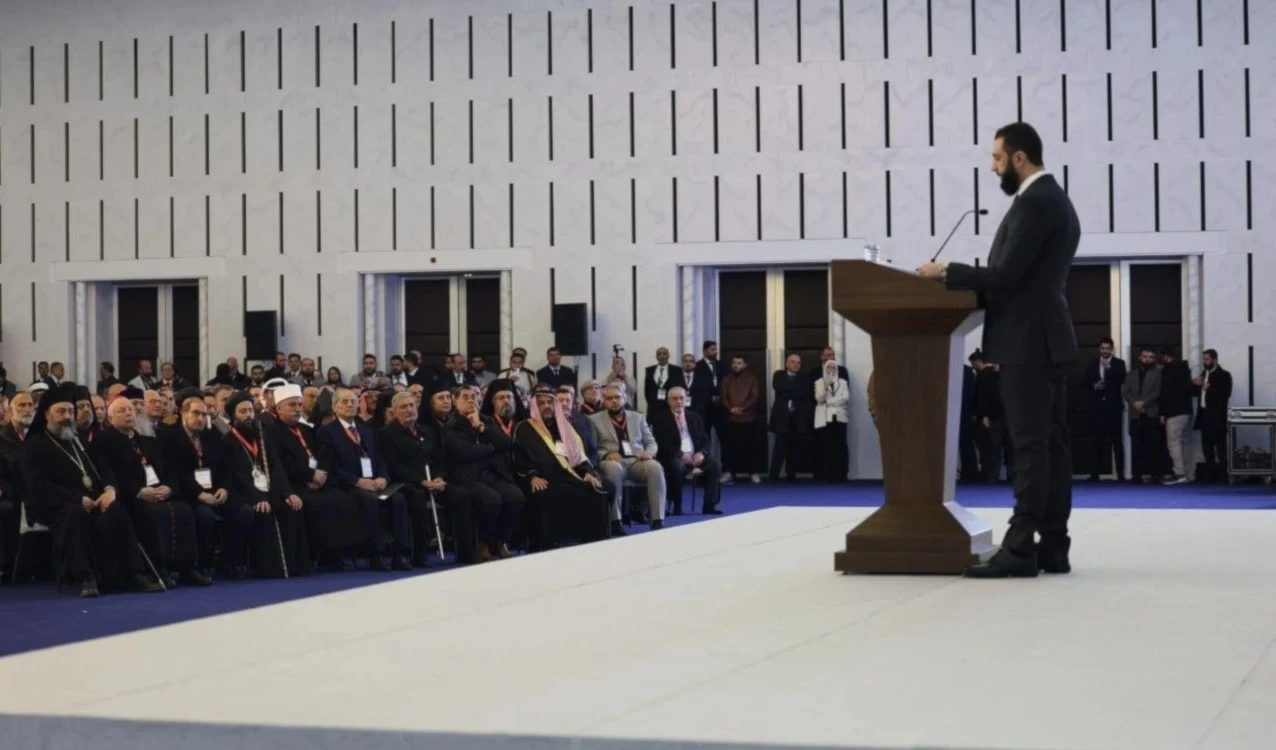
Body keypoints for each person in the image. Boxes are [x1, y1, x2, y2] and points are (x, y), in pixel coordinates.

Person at [917, 121, 1081, 578]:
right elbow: (1022, 278)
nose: (992, 167)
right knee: (1050, 448)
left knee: (1030, 448)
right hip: (1046, 341)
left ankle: (1020, 548)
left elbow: (1006, 277)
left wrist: (947, 270)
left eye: (996, 158)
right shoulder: (1056, 201)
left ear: (1019, 158)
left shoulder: (1034, 203)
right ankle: (1052, 545)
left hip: (1028, 344)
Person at [22, 384, 165, 597]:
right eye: (61, 411)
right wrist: (78, 498)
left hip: (93, 500)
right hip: (55, 505)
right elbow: (38, 486)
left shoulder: (78, 440)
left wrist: (109, 491)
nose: (67, 417)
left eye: (70, 411)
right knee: (75, 515)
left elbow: (103, 469)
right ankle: (86, 577)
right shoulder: (34, 445)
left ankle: (133, 574)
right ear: (46, 414)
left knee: (116, 511)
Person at [96, 395, 207, 586]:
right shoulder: (104, 442)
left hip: (158, 492)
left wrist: (169, 488)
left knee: (183, 509)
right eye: (121, 411)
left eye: (131, 409)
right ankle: (158, 569)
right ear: (110, 417)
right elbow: (109, 475)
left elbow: (170, 467)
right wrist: (138, 491)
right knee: (153, 513)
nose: (129, 413)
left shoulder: (146, 440)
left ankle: (187, 568)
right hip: (132, 497)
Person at [268, 385, 374, 569]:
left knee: (344, 500)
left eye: (300, 405)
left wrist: (321, 474)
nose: (297, 409)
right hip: (294, 484)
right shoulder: (271, 432)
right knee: (318, 505)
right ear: (278, 408)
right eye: (292, 405)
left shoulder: (307, 429)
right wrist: (310, 475)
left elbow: (324, 454)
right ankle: (315, 554)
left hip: (319, 481)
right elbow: (280, 463)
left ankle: (334, 555)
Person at [160, 390, 254, 578]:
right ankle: (201, 564)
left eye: (204, 414)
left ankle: (228, 562)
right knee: (205, 515)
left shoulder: (211, 437)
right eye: (196, 413)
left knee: (244, 511)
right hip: (189, 494)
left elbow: (226, 467)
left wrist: (224, 489)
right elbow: (177, 472)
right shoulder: (170, 437)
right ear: (183, 413)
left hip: (215, 491)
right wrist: (199, 494)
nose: (201, 418)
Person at [220, 391, 312, 578]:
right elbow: (237, 476)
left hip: (270, 490)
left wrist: (288, 493)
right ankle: (268, 568)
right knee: (263, 510)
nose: (249, 416)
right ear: (233, 415)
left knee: (291, 507)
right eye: (243, 411)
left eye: (251, 411)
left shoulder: (262, 437)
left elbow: (277, 467)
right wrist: (258, 498)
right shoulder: (227, 441)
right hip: (244, 494)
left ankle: (295, 565)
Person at [318, 388, 412, 570]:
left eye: (352, 401)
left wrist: (383, 478)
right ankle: (375, 555)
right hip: (349, 484)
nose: (349, 405)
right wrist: (358, 482)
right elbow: (331, 467)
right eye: (344, 402)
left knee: (399, 499)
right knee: (370, 502)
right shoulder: (327, 432)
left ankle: (400, 554)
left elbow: (379, 459)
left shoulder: (366, 430)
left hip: (374, 482)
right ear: (334, 407)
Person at [381, 390, 478, 566]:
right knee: (417, 498)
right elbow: (394, 466)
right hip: (407, 483)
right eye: (404, 407)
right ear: (395, 411)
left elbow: (439, 459)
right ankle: (419, 555)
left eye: (412, 405)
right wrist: (422, 482)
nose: (410, 409)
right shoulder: (387, 434)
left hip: (434, 480)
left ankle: (465, 553)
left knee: (461, 495)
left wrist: (440, 477)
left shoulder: (427, 430)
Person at [514, 386, 610, 549]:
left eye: (550, 402)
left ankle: (593, 543)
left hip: (570, 474)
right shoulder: (524, 428)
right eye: (541, 403)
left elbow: (578, 455)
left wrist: (588, 472)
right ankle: (547, 546)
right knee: (545, 494)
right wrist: (533, 476)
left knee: (595, 489)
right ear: (535, 406)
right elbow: (519, 460)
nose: (546, 406)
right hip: (543, 477)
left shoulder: (564, 426)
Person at [444, 381, 526, 560]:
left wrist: (480, 427)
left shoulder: (486, 420)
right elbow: (464, 452)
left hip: (492, 474)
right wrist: (490, 448)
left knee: (516, 497)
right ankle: (483, 543)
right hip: (466, 477)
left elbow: (506, 443)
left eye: (474, 397)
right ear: (455, 401)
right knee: (492, 500)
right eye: (465, 398)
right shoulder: (451, 425)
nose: (471, 401)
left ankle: (501, 540)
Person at [589, 384, 665, 534]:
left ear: (624, 398)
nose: (614, 401)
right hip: (611, 461)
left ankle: (657, 520)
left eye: (617, 397)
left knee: (655, 467)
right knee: (613, 469)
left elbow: (651, 442)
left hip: (636, 459)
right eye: (609, 398)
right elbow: (591, 448)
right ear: (604, 401)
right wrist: (605, 455)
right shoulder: (593, 420)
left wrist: (649, 453)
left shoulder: (637, 417)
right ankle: (615, 521)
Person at [650, 386, 722, 515]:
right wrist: (681, 454)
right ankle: (677, 505)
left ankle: (709, 505)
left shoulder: (694, 417)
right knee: (676, 467)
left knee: (715, 465)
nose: (679, 402)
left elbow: (705, 439)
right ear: (668, 401)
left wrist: (702, 453)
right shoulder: (661, 419)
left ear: (686, 400)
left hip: (695, 454)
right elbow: (661, 443)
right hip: (673, 455)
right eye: (675, 399)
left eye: (681, 398)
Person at [1083, 337, 1127, 481]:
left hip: (1113, 408)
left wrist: (1109, 370)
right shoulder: (1092, 363)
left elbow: (1122, 380)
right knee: (1096, 441)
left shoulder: (1119, 364)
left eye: (1107, 348)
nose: (1105, 351)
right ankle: (1095, 473)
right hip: (1097, 408)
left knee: (1117, 442)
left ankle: (1121, 474)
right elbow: (1085, 383)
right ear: (1099, 349)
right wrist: (1095, 386)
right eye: (1102, 348)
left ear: (1112, 349)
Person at [1124, 347, 1163, 484]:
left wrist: (1143, 403)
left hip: (1151, 413)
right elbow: (1126, 391)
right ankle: (1137, 475)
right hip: (1135, 414)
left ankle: (1155, 475)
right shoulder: (1131, 374)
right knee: (1136, 445)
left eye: (1151, 357)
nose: (1148, 359)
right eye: (1145, 356)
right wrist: (1134, 403)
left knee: (1153, 445)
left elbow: (1157, 392)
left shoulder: (1158, 373)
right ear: (1140, 358)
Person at [1193, 349, 1232, 483]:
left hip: (1217, 417)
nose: (1204, 362)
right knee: (1207, 448)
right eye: (1204, 359)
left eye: (1207, 359)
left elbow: (1225, 394)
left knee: (1221, 448)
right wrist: (1195, 384)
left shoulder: (1224, 375)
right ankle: (1209, 477)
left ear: (1214, 360)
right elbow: (1196, 392)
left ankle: (1223, 476)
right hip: (1205, 416)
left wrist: (1210, 388)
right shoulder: (1204, 374)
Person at [1158, 347, 1194, 485]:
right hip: (1187, 411)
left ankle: (1179, 474)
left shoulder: (1168, 371)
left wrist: (1162, 412)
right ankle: (1188, 474)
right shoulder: (1185, 369)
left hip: (1174, 412)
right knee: (1185, 443)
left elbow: (1166, 393)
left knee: (1174, 444)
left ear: (1166, 357)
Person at [813, 358, 850, 483]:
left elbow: (845, 397)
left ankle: (841, 474)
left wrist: (829, 402)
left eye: (833, 367)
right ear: (825, 369)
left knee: (840, 445)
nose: (831, 370)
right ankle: (826, 474)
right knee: (826, 445)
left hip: (840, 416)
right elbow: (819, 398)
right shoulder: (819, 382)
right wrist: (826, 386)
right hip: (825, 417)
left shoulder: (843, 382)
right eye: (828, 367)